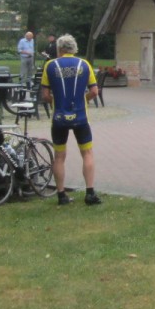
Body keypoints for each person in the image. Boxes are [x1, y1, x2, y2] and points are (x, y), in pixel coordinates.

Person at [40, 33, 101, 206]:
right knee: (87, 153)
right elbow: (94, 91)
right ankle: (90, 193)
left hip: (59, 117)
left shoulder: (50, 65)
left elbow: (45, 95)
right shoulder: (84, 64)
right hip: (80, 116)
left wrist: (56, 102)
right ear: (74, 48)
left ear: (59, 49)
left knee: (59, 156)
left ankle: (61, 195)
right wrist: (84, 100)